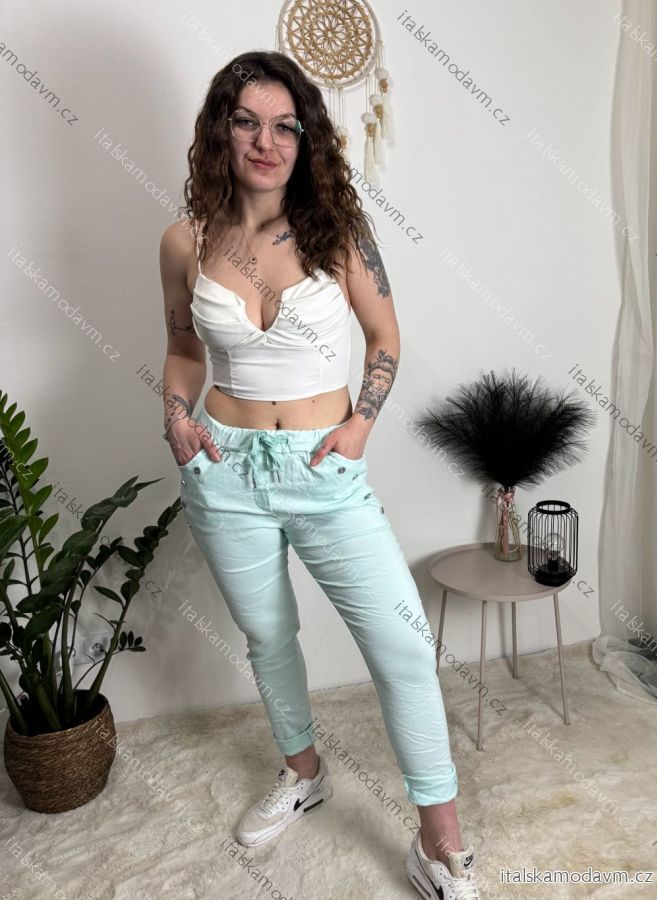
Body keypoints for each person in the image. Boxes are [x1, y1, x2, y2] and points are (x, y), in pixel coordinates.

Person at [159, 50, 481, 899]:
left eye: (284, 126)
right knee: (268, 636)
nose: (265, 142)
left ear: (305, 139)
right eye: (246, 122)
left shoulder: (338, 233)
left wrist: (360, 424)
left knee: (402, 646)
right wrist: (176, 414)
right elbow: (183, 346)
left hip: (321, 467)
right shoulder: (184, 240)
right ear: (221, 130)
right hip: (223, 469)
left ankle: (441, 843)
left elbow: (385, 339)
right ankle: (302, 772)